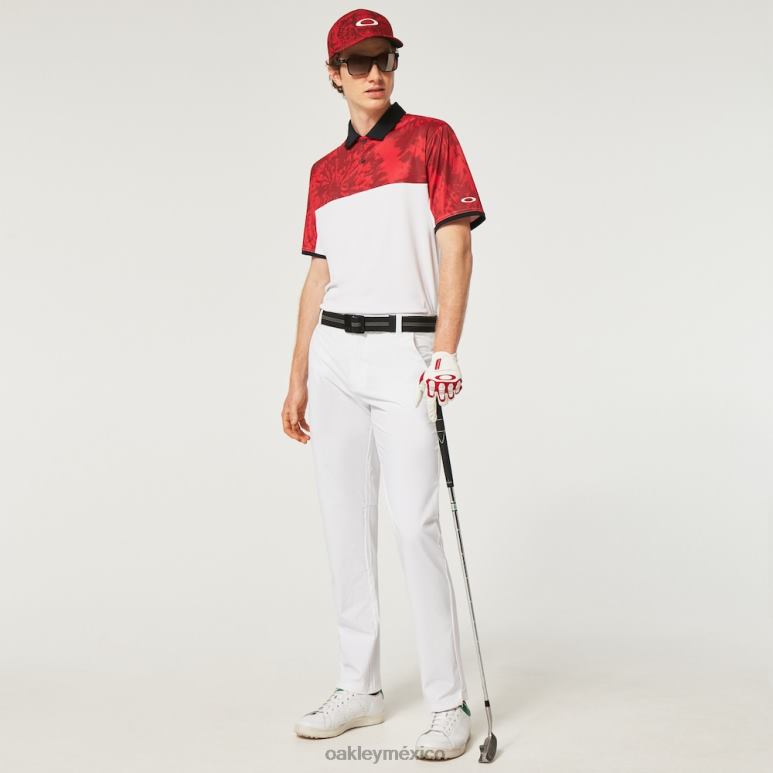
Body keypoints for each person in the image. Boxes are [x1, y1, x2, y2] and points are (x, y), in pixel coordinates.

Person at [281, 8, 486, 762]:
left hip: (406, 350)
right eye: (359, 62)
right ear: (333, 74)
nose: (375, 73)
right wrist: (298, 373)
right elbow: (318, 275)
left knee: (414, 524)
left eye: (385, 59)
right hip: (335, 353)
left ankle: (447, 702)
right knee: (344, 521)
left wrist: (446, 350)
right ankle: (358, 686)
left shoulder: (431, 138)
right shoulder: (324, 173)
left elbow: (456, 247)